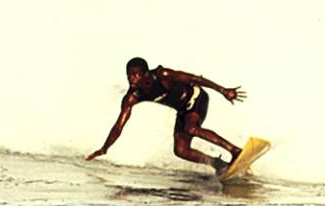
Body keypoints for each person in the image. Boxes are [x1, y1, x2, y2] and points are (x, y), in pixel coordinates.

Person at [87, 56, 246, 171]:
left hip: (196, 97)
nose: (132, 79)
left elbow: (194, 78)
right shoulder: (132, 97)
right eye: (129, 74)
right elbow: (118, 127)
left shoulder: (162, 76)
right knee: (181, 150)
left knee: (191, 128)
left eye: (136, 74)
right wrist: (104, 148)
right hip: (183, 110)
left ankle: (234, 150)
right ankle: (219, 165)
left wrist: (223, 90)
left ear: (146, 74)